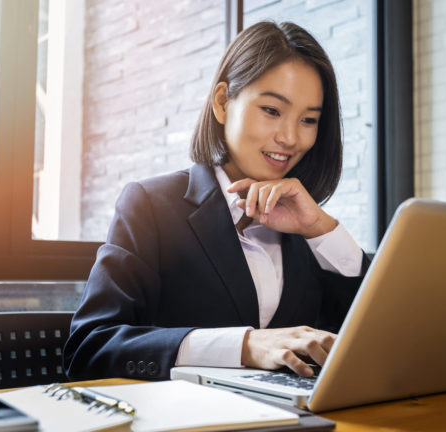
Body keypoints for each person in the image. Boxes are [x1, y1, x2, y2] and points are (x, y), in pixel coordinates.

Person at [63, 21, 370, 381]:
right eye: (272, 110)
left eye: (308, 119)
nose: (289, 137)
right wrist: (244, 346)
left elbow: (372, 337)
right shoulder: (151, 205)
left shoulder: (309, 233)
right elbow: (90, 347)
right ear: (223, 103)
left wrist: (321, 229)